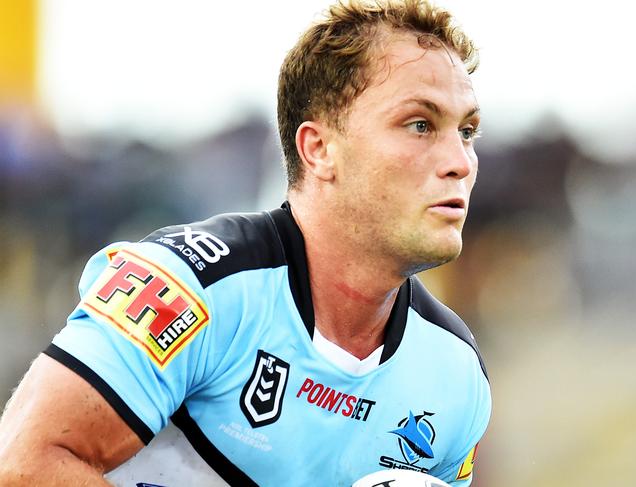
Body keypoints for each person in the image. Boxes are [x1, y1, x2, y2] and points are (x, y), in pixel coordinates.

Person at [0, 0, 491, 485]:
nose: (461, 162)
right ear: (319, 150)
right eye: (420, 125)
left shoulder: (455, 375)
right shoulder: (191, 287)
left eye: (467, 131)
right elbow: (24, 463)